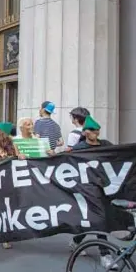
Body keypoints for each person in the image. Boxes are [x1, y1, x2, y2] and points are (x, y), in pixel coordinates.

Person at [68, 115, 116, 269]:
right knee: (99, 218)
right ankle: (105, 254)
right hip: (86, 188)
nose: (95, 132)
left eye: (97, 129)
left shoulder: (106, 145)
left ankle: (76, 241)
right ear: (85, 132)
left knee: (93, 219)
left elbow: (118, 156)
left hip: (104, 188)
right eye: (92, 130)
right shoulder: (78, 149)